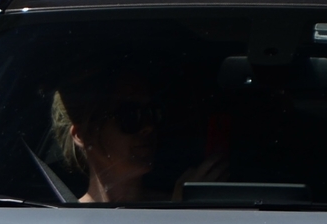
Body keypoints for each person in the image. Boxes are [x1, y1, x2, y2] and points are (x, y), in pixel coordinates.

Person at [49, 69, 221, 204]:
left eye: (152, 113)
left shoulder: (185, 200)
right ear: (83, 135)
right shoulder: (66, 222)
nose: (148, 127)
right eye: (130, 116)